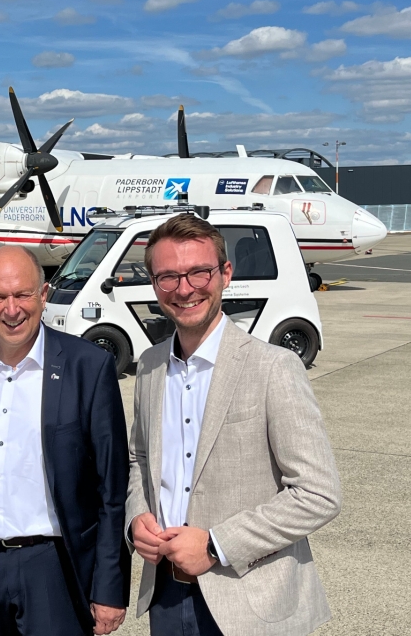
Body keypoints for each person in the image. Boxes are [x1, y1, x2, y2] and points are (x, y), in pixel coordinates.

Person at [126, 214, 342, 635]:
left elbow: (318, 493)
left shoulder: (273, 367)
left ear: (225, 273)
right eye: (168, 276)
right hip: (166, 595)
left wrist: (214, 544)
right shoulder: (151, 365)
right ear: (154, 284)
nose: (184, 289)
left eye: (198, 272)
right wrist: (137, 517)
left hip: (250, 600)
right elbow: (139, 458)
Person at [0, 246, 130, 636]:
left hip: (52, 566)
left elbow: (111, 488)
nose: (12, 309)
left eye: (23, 295)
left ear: (44, 294)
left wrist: (109, 585)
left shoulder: (87, 366)